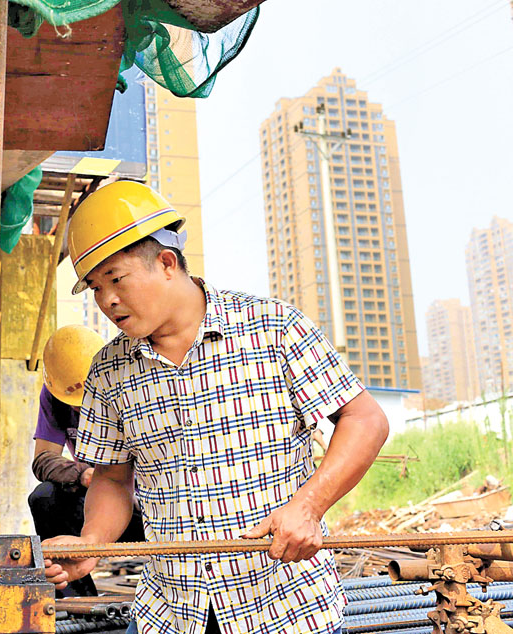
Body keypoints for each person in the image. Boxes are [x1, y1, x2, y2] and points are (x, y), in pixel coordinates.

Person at [41, 181, 389, 634]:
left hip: (286, 610)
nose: (106, 300)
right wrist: (93, 541)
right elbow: (112, 477)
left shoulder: (272, 327)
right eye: (94, 287)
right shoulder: (109, 370)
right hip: (170, 612)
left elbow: (365, 418)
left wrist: (308, 506)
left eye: (116, 279)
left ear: (167, 263)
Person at [29, 325, 145, 597]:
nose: (84, 409)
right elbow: (43, 460)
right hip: (99, 509)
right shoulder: (54, 397)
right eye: (76, 402)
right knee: (44, 497)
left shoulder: (131, 385)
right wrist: (84, 474)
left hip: (151, 509)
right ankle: (74, 599)